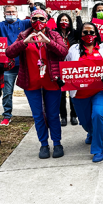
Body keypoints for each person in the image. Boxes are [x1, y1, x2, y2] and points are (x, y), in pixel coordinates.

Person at [6, 10, 68, 159]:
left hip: (51, 82)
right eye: (35, 18)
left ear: (46, 20)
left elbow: (63, 51)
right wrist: (24, 42)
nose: (38, 21)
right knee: (38, 115)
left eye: (41, 18)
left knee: (53, 115)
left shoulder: (54, 34)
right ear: (30, 19)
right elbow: (9, 52)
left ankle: (57, 143)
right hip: (31, 83)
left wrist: (48, 42)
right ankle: (44, 145)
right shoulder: (23, 35)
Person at [66, 22, 103, 163]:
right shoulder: (73, 50)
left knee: (99, 115)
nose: (89, 35)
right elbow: (67, 68)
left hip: (100, 90)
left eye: (92, 32)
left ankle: (98, 148)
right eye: (85, 32)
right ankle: (91, 132)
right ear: (80, 34)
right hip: (80, 93)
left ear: (96, 34)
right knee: (85, 122)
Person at [0, 0, 33, 126]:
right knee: (7, 93)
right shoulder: (0, 26)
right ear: (4, 14)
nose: (11, 14)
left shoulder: (25, 23)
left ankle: (36, 113)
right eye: (8, 12)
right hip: (8, 65)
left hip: (24, 64)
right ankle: (7, 115)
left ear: (17, 12)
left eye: (13, 12)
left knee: (30, 91)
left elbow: (37, 20)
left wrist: (32, 7)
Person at [54, 10, 83, 127]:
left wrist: (78, 16)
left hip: (72, 66)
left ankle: (74, 115)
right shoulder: (54, 33)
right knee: (61, 93)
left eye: (66, 20)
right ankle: (63, 117)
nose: (64, 22)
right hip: (59, 64)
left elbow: (81, 30)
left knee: (73, 92)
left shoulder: (74, 33)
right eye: (62, 20)